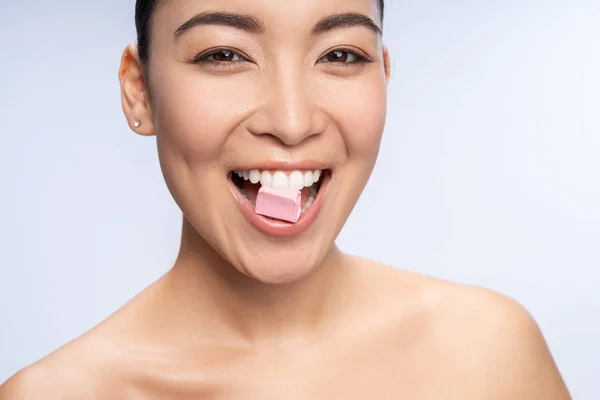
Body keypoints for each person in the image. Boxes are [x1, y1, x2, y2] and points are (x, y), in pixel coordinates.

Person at [0, 0, 571, 398]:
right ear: (140, 91)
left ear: (385, 77)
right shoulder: (50, 395)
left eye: (341, 54)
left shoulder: (491, 352)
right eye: (224, 54)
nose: (293, 122)